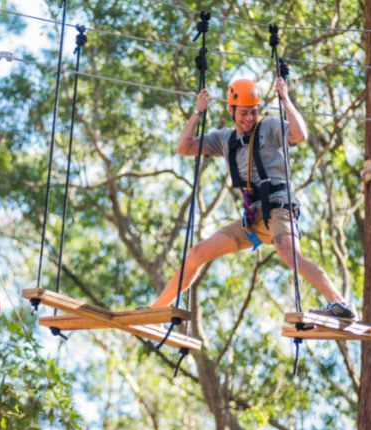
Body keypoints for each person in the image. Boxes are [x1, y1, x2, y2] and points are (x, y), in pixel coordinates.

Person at [149, 77, 358, 321]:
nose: (249, 118)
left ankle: (340, 304)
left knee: (289, 253)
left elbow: (299, 134)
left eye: (254, 112)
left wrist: (285, 99)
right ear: (231, 110)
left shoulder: (269, 128)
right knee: (196, 254)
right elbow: (184, 148)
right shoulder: (225, 139)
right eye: (244, 113)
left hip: (278, 207)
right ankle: (157, 309)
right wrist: (198, 112)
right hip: (252, 219)